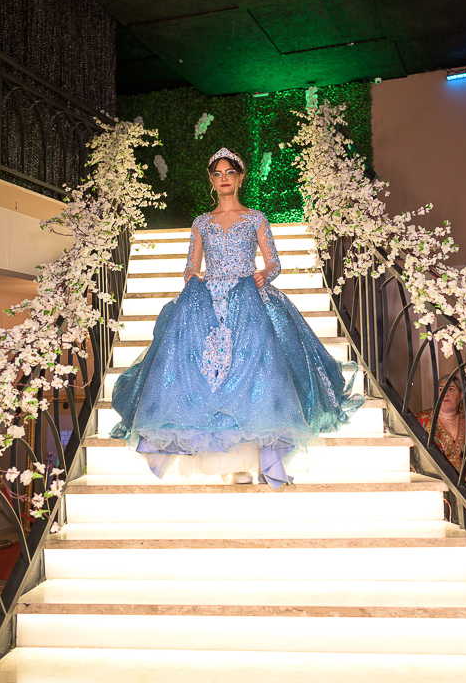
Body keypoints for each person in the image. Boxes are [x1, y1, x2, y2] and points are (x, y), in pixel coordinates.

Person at [110, 148, 364, 489]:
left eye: (229, 172)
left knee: (258, 377)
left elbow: (274, 262)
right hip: (210, 301)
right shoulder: (201, 223)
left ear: (240, 177)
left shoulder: (256, 218)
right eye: (217, 174)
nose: (224, 178)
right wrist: (193, 282)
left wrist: (265, 274)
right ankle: (231, 461)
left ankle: (264, 461)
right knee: (212, 379)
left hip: (250, 299)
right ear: (211, 181)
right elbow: (191, 266)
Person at [416, 374, 466, 486]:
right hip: (436, 486)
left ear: (461, 395)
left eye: (451, 389)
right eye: (441, 389)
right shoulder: (422, 419)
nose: (445, 393)